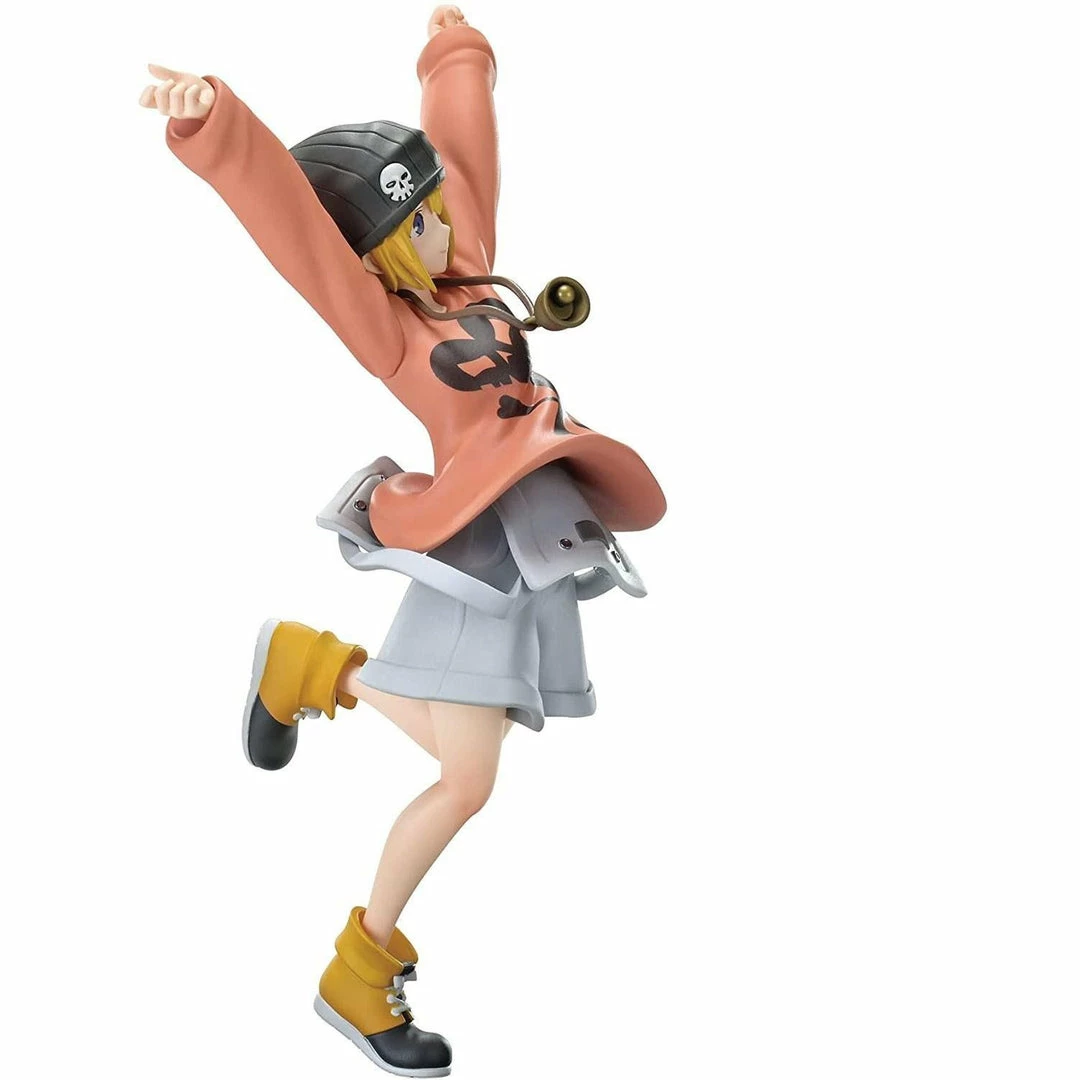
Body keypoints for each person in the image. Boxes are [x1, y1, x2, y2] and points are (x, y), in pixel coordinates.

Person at [140, 6, 665, 1076]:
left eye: (433, 210)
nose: (439, 226)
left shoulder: (466, 267)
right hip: (483, 543)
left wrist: (455, 51)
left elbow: (466, 153)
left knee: (470, 758)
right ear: (374, 250)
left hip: (536, 529)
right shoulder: (388, 326)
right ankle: (358, 968)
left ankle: (315, 669)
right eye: (412, 221)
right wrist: (217, 122)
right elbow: (295, 228)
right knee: (468, 780)